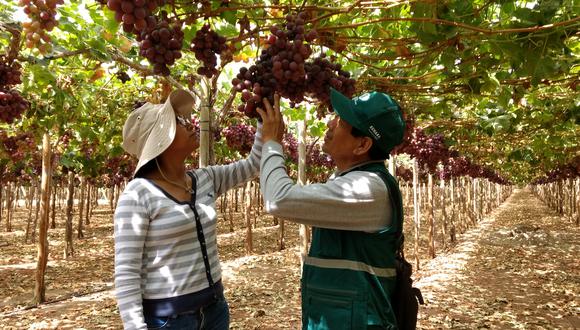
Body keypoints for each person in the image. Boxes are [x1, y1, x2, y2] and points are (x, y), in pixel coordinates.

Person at [114, 89, 263, 330]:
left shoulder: (205, 179)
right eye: (180, 122)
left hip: (214, 311)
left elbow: (253, 165)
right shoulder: (138, 195)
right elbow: (127, 273)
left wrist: (263, 120)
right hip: (169, 321)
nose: (190, 124)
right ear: (162, 138)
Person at [257, 88, 406, 329]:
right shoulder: (349, 179)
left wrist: (272, 143)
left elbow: (278, 199)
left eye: (342, 121)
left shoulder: (367, 189)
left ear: (363, 144)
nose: (329, 122)